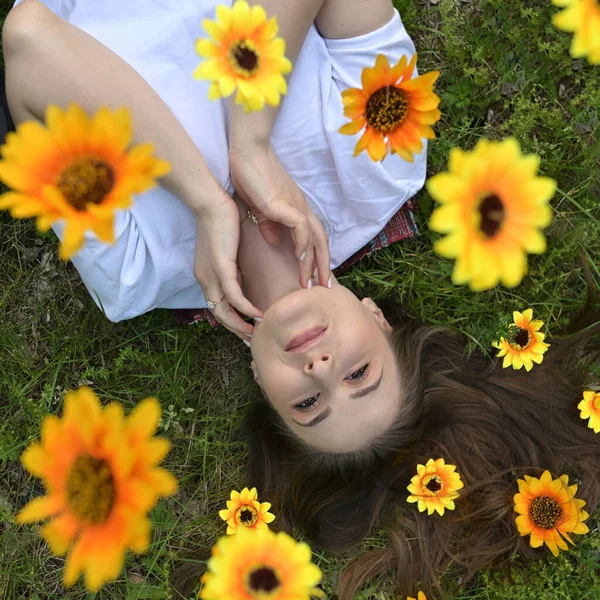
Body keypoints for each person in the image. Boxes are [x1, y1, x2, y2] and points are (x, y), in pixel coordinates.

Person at [2, 0, 424, 340]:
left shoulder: (135, 275)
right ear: (377, 320)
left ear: (260, 378)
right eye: (360, 375)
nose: (321, 370)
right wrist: (250, 142)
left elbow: (30, 37)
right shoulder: (384, 166)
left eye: (308, 404)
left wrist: (204, 201)